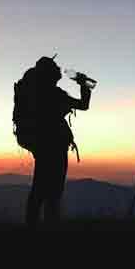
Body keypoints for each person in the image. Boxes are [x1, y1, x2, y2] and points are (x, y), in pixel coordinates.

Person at [22, 56, 92, 228]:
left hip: (42, 146)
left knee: (39, 188)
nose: (58, 69)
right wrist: (83, 84)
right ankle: (49, 227)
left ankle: (32, 226)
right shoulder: (53, 94)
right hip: (54, 148)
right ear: (48, 73)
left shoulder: (37, 93)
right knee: (53, 191)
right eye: (55, 67)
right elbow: (83, 105)